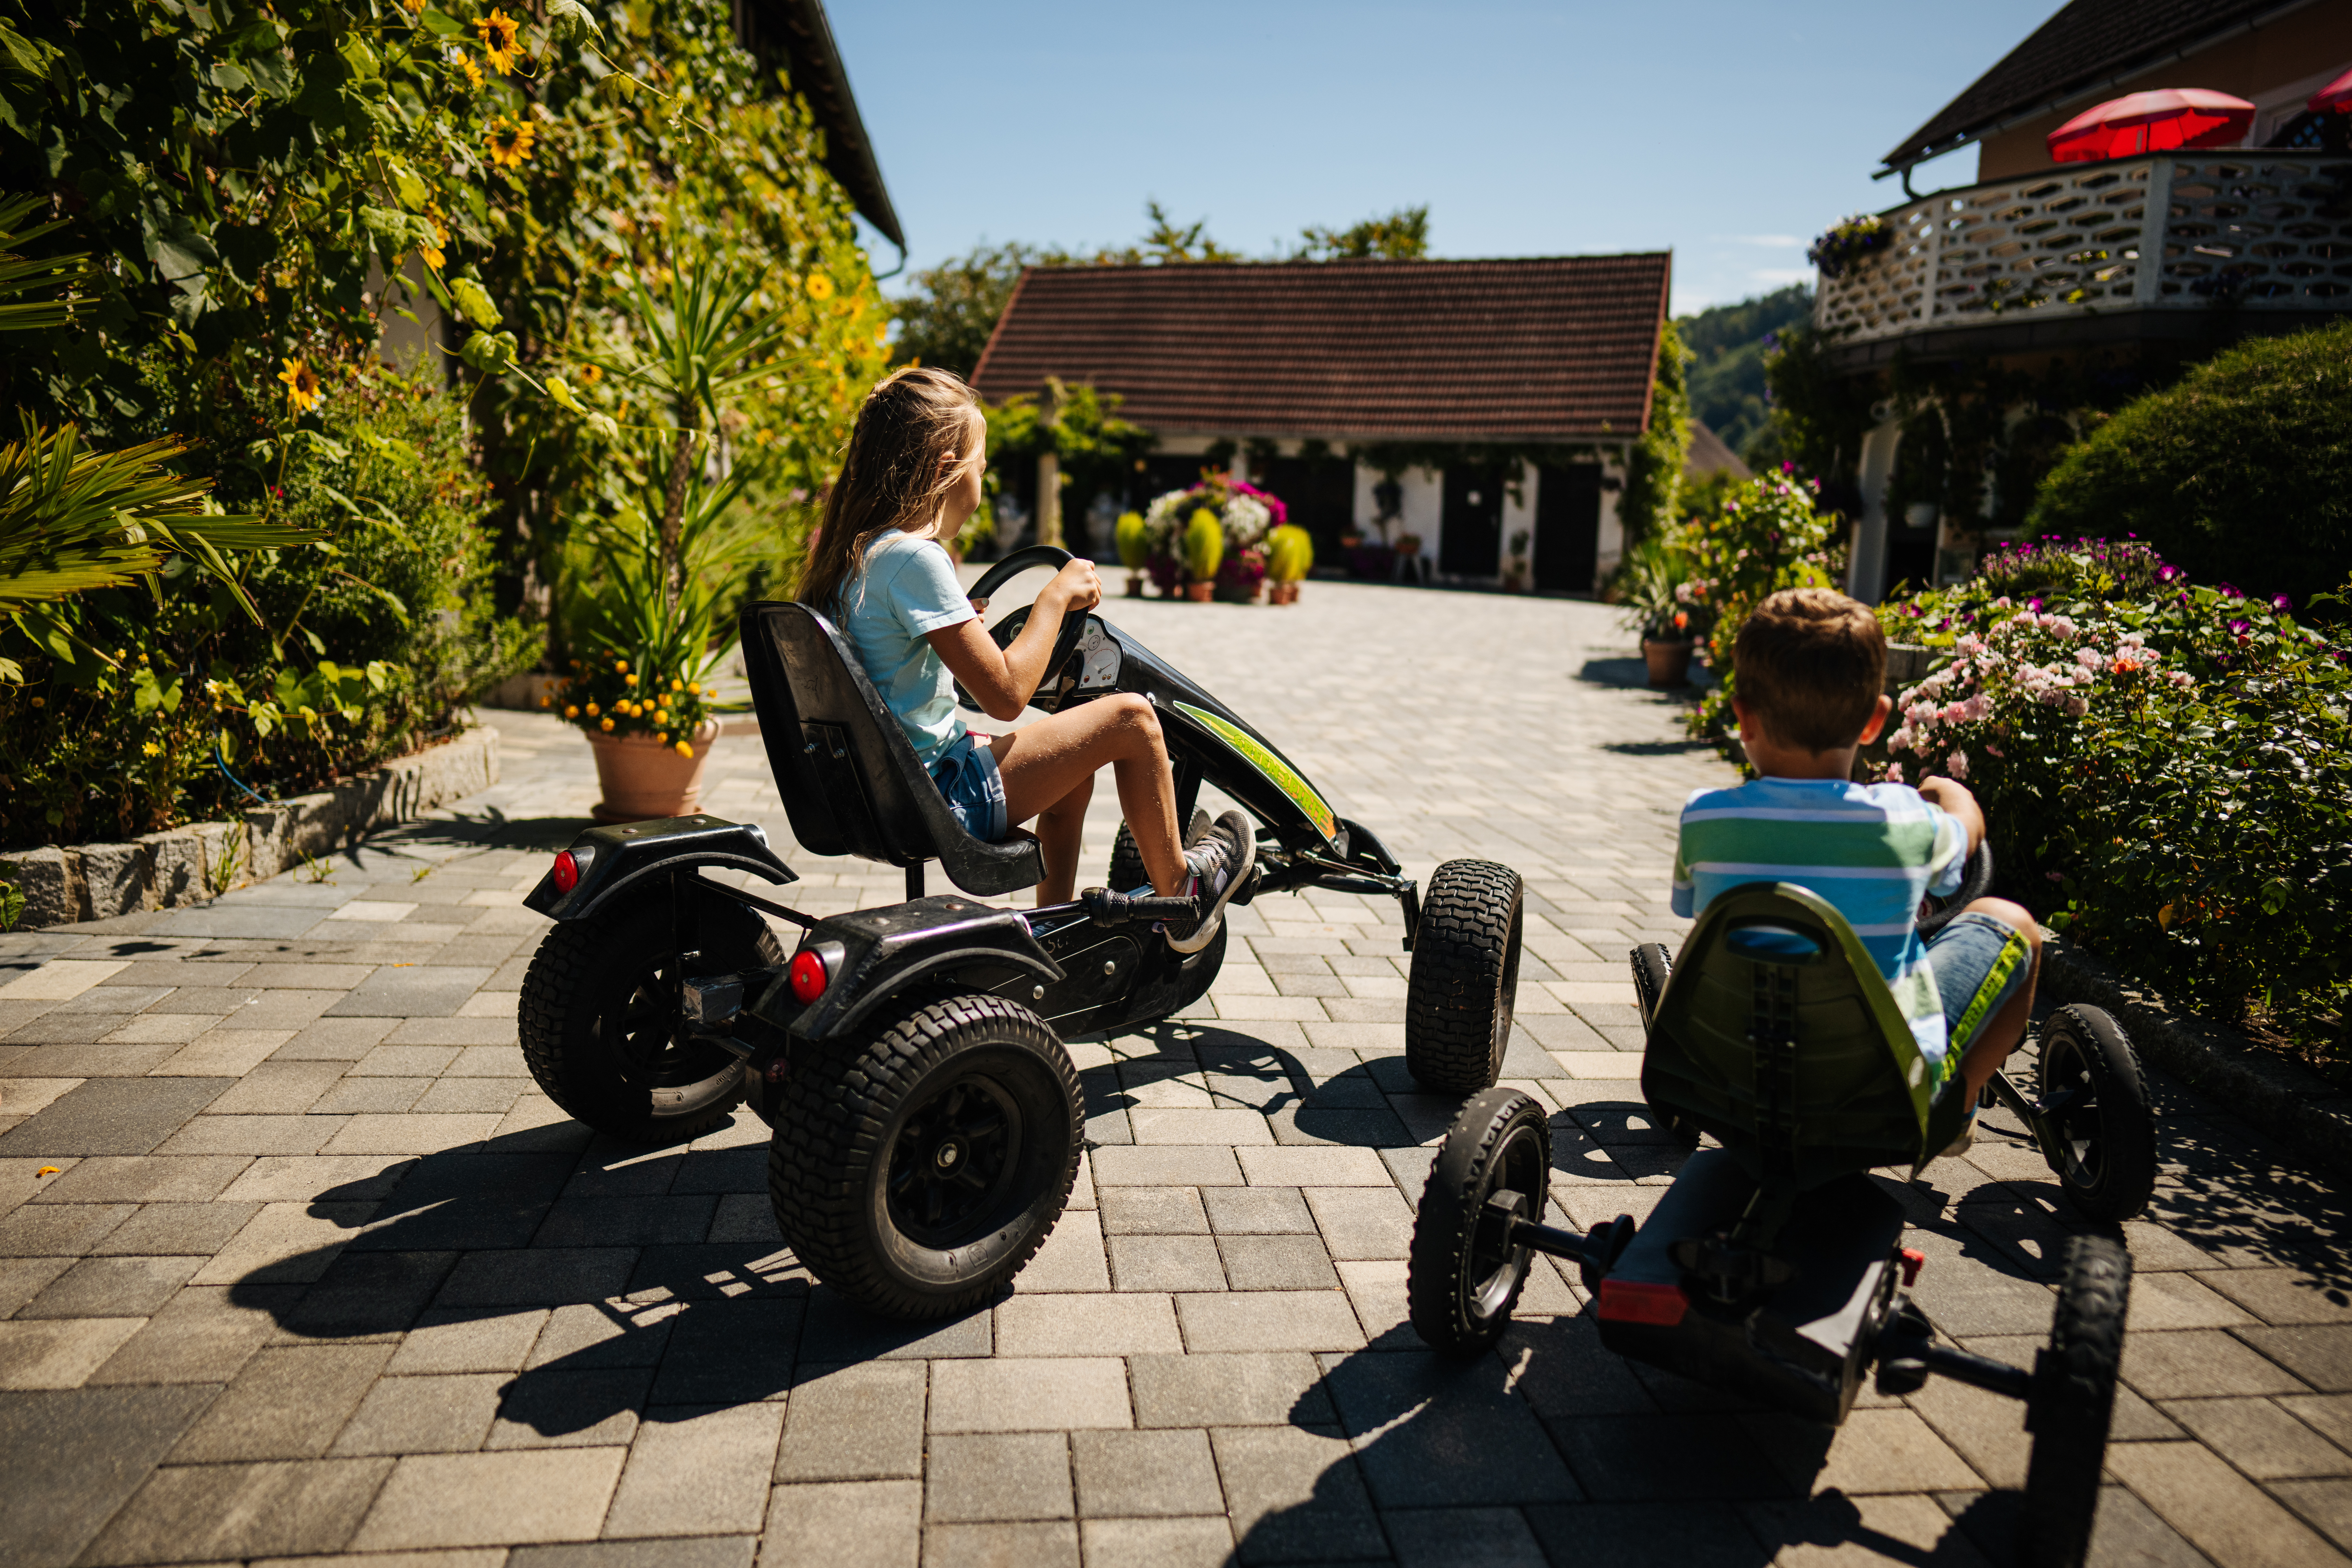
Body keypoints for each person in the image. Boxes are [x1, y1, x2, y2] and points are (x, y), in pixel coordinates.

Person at [794, 366, 1249, 948]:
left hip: (884, 792)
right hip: (942, 795)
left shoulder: (855, 557)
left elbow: (896, 665)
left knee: (1072, 765)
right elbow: (1007, 696)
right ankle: (1187, 896)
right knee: (1132, 719)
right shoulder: (915, 559)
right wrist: (1055, 598)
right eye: (980, 466)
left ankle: (1056, 931)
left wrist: (963, 627)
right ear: (946, 470)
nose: (983, 480)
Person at [1670, 587, 2040, 1135]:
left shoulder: (1705, 817)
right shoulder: (1905, 820)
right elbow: (1968, 835)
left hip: (1741, 1074)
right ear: (1874, 722)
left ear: (1743, 717)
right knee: (2015, 923)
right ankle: (1954, 1110)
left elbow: (1688, 911)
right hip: (1877, 1082)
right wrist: (1945, 790)